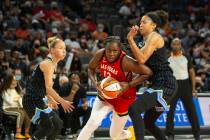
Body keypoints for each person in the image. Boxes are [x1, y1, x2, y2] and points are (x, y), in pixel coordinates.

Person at [77, 36, 153, 140]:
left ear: (120, 50)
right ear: (105, 48)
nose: (111, 54)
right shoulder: (100, 54)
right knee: (92, 122)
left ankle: (128, 134)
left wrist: (129, 85)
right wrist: (95, 83)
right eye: (109, 50)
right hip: (106, 93)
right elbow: (90, 68)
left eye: (115, 51)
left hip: (124, 97)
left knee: (114, 136)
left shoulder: (126, 61)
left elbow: (147, 73)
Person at [127, 10, 178, 140]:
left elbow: (142, 59)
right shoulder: (143, 41)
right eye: (140, 22)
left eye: (144, 22)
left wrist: (130, 39)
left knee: (134, 109)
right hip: (157, 82)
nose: (141, 25)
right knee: (148, 123)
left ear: (153, 25)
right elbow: (141, 66)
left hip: (165, 82)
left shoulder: (155, 36)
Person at [22, 36, 74, 140]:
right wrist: (62, 101)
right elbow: (49, 88)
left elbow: (43, 87)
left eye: (65, 49)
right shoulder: (47, 64)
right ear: (52, 50)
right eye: (60, 48)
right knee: (48, 126)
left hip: (39, 99)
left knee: (58, 124)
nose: (64, 51)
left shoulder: (53, 65)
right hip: (31, 101)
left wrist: (50, 99)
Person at [166, 38, 200, 140]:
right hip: (173, 86)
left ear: (180, 45)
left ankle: (197, 134)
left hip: (186, 85)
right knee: (170, 111)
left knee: (192, 111)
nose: (176, 45)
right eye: (174, 44)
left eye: (178, 44)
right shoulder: (167, 58)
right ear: (171, 45)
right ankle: (170, 134)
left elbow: (192, 73)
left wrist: (193, 89)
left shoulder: (186, 57)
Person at [58, 72, 91, 137]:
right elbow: (67, 102)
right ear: (70, 80)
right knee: (69, 108)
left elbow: (84, 100)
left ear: (79, 80)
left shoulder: (81, 88)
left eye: (77, 79)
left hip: (74, 109)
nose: (75, 80)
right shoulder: (64, 87)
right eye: (73, 79)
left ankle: (82, 129)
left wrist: (85, 104)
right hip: (63, 109)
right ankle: (68, 129)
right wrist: (73, 92)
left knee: (89, 109)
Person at [1, 72, 31, 139]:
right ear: (9, 81)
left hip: (16, 107)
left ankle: (26, 132)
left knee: (27, 112)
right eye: (13, 80)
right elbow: (10, 102)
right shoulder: (4, 91)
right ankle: (18, 133)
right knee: (21, 113)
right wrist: (17, 98)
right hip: (7, 108)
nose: (15, 82)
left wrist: (20, 99)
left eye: (15, 80)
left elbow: (20, 103)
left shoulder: (15, 90)